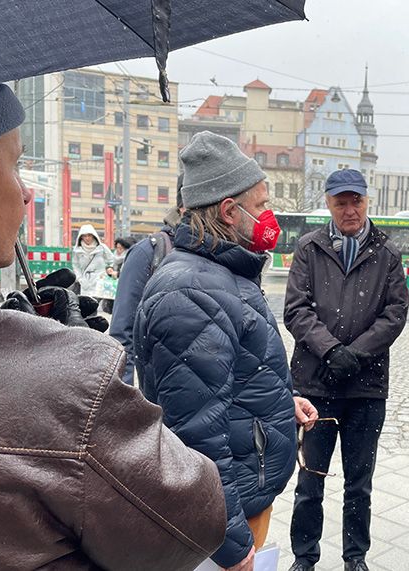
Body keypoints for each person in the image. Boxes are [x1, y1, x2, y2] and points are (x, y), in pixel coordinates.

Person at [0, 58, 226, 568]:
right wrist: (71, 360)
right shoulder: (67, 380)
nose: (25, 192)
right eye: (16, 164)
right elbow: (196, 520)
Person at [134, 131, 318, 571]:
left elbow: (221, 381)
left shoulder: (217, 275)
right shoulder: (191, 290)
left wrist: (275, 402)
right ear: (229, 211)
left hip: (238, 496)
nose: (267, 216)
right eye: (260, 205)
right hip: (222, 519)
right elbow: (195, 435)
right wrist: (232, 544)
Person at [284, 169, 409, 571]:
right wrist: (330, 350)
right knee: (310, 482)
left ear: (367, 201)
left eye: (356, 200)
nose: (349, 209)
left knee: (360, 484)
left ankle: (355, 557)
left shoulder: (387, 252)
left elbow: (395, 312)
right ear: (329, 204)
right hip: (315, 386)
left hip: (365, 388)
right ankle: (305, 557)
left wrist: (355, 354)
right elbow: (296, 310)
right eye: (341, 202)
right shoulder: (309, 248)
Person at [109, 174, 184, 385]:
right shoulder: (148, 252)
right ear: (183, 207)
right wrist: (125, 403)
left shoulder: (226, 254)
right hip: (162, 396)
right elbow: (123, 335)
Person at [71, 223, 114, 297]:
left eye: (89, 235)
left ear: (93, 236)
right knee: (87, 304)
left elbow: (112, 260)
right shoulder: (77, 251)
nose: (87, 238)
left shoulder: (102, 248)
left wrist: (107, 272)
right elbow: (76, 266)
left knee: (100, 304)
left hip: (101, 281)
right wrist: (80, 279)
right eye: (84, 236)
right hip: (85, 283)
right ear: (81, 237)